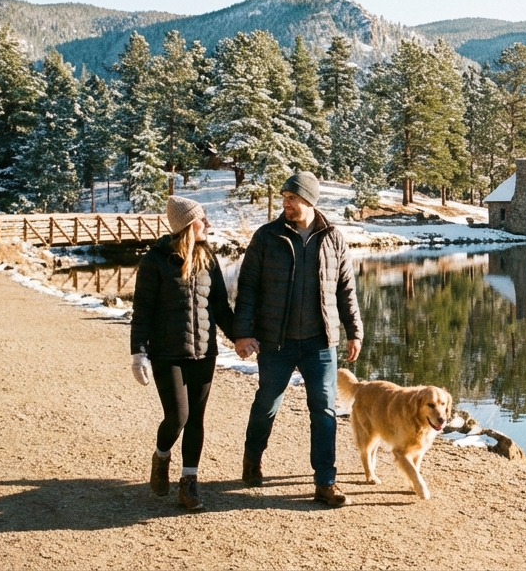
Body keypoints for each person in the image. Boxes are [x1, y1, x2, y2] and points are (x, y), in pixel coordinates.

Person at [233, 171, 363, 508]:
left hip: (320, 343)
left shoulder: (333, 238)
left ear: (308, 200)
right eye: (284, 198)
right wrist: (243, 333)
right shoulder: (266, 237)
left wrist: (354, 331)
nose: (285, 203)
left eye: (291, 198)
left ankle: (325, 482)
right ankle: (252, 457)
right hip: (276, 342)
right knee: (267, 403)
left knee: (324, 409)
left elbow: (346, 290)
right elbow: (247, 288)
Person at [129, 195, 234, 512]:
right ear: (189, 223)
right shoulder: (155, 260)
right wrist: (138, 353)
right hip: (167, 354)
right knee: (178, 416)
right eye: (204, 218)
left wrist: (242, 339)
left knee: (196, 419)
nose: (209, 223)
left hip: (204, 352)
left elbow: (220, 308)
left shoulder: (208, 258)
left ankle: (189, 483)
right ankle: (161, 457)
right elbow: (142, 311)